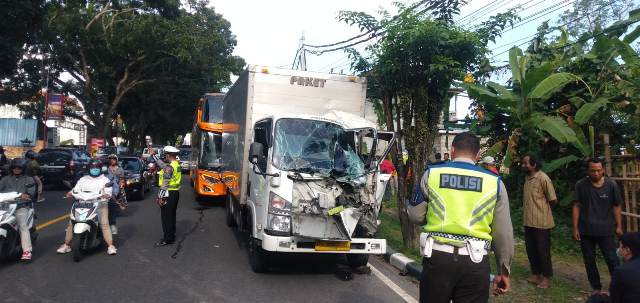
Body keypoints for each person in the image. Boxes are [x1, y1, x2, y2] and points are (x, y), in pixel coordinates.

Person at [409, 132, 514, 303]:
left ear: (451, 150)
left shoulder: (432, 174)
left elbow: (415, 215)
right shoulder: (495, 183)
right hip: (476, 263)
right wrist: (504, 271)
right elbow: (503, 233)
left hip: (437, 259)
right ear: (478, 155)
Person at [573, 159, 623, 296]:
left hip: (606, 230)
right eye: (593, 170)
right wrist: (575, 228)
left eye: (599, 170)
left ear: (603, 170)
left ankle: (618, 286)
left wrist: (619, 226)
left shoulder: (611, 185)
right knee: (589, 260)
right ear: (588, 171)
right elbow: (576, 206)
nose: (596, 173)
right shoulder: (581, 185)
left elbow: (616, 205)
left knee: (612, 259)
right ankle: (596, 287)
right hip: (586, 230)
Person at [56, 159, 117, 255]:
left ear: (100, 169)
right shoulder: (83, 179)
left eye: (97, 167)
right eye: (92, 168)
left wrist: (106, 195)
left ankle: (110, 246)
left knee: (104, 224)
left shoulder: (105, 179)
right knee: (72, 224)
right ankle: (66, 245)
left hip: (99, 204)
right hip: (82, 204)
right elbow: (75, 189)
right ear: (89, 168)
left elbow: (108, 191)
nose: (95, 169)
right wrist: (70, 193)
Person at [521, 154, 557, 289]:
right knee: (531, 250)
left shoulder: (543, 178)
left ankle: (547, 278)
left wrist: (543, 212)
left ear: (534, 165)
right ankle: (536, 275)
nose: (523, 165)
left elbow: (553, 200)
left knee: (543, 251)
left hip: (542, 223)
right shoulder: (527, 178)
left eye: (526, 163)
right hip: (528, 222)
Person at [0, 158, 36, 261]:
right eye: (14, 167)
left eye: (19, 168)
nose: (16, 169)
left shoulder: (29, 179)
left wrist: (26, 196)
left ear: (23, 169)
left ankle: (27, 251)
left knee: (22, 226)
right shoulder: (5, 179)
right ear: (11, 168)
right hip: (4, 206)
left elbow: (31, 193)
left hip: (21, 206)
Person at [152, 146, 182, 247]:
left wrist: (160, 197)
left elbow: (165, 183)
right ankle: (171, 236)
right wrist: (153, 155)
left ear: (168, 155)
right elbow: (162, 165)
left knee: (166, 217)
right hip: (175, 193)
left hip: (168, 193)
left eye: (165, 155)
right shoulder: (175, 164)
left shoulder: (169, 167)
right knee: (171, 215)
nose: (165, 156)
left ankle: (167, 239)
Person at [610, 232, 640, 303]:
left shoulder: (621, 271)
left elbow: (615, 299)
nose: (618, 250)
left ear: (627, 250)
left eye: (620, 247)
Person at [105, 154, 125, 235]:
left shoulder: (120, 169)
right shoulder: (106, 169)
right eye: (111, 159)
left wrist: (121, 185)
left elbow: (122, 179)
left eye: (113, 159)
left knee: (116, 191)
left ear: (116, 160)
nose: (112, 160)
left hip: (116, 186)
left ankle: (117, 203)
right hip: (106, 185)